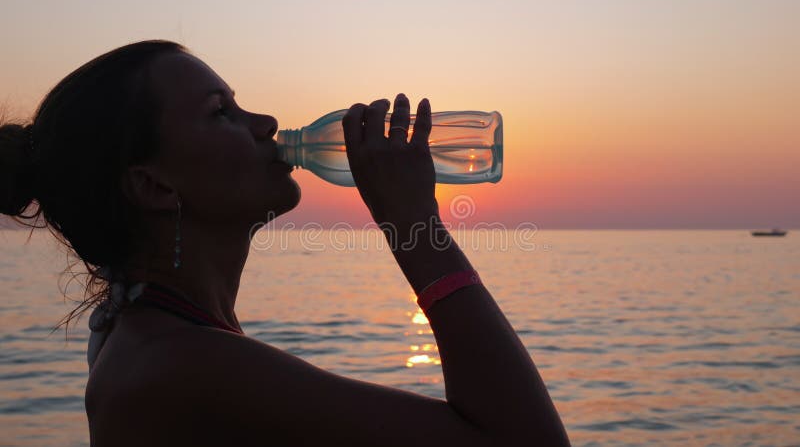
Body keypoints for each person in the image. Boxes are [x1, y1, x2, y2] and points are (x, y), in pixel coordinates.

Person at [0, 40, 570, 446]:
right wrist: (413, 224)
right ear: (152, 184)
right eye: (221, 112)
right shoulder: (181, 366)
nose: (267, 122)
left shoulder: (145, 330)